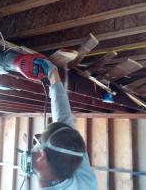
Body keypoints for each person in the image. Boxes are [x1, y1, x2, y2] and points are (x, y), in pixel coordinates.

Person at [31, 59, 98, 190]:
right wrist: (53, 73)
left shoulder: (87, 182)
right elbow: (64, 120)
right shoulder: (82, 175)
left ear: (43, 157)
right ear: (42, 157)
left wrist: (53, 73)